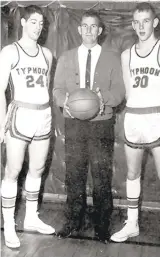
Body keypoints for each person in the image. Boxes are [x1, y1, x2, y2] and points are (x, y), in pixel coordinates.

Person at [53, 10, 125, 243]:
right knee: (74, 175)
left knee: (101, 176)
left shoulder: (113, 57)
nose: (88, 31)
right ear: (79, 29)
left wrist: (102, 100)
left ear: (100, 30)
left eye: (93, 26)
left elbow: (120, 92)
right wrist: (66, 102)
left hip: (101, 124)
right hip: (74, 123)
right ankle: (73, 221)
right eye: (85, 26)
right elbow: (57, 90)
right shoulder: (66, 57)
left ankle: (102, 225)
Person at [110, 2, 160, 257]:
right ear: (132, 25)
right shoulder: (126, 55)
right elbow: (128, 91)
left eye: (146, 21)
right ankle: (132, 223)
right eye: (137, 22)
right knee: (132, 175)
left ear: (155, 22)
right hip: (133, 117)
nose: (142, 26)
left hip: (156, 116)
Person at [0, 5, 55, 249]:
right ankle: (10, 226)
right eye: (33, 22)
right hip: (20, 114)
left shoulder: (48, 55)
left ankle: (31, 218)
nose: (38, 27)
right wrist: (0, 124)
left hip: (43, 114)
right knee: (12, 171)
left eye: (41, 23)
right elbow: (0, 90)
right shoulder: (9, 52)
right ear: (22, 22)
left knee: (38, 168)